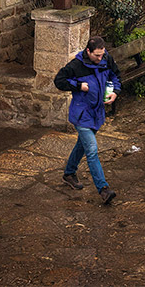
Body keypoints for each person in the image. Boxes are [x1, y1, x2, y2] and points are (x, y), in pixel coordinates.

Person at [54, 35, 121, 204]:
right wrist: (78, 86)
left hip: (97, 114)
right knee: (91, 149)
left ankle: (69, 173)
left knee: (82, 145)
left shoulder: (106, 59)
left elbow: (116, 75)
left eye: (102, 54)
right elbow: (59, 80)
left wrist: (115, 92)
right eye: (97, 55)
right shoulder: (76, 66)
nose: (101, 58)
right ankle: (103, 189)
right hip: (82, 115)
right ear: (88, 51)